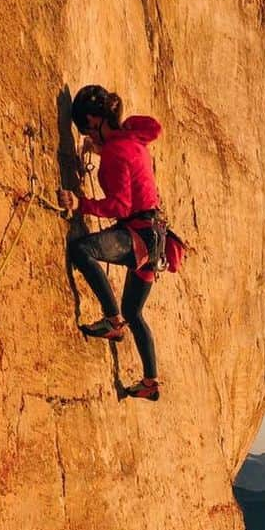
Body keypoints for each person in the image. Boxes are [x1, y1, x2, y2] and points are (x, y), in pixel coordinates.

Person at [59, 85, 164, 401]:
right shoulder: (131, 141)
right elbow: (125, 162)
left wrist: (82, 204)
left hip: (139, 235)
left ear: (94, 119)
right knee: (136, 311)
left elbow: (119, 205)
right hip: (154, 237)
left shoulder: (118, 151)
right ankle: (150, 383)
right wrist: (99, 149)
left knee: (82, 250)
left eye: (86, 128)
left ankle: (111, 319)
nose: (87, 134)